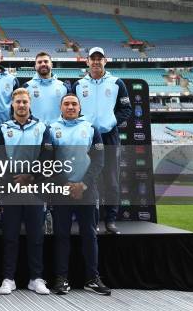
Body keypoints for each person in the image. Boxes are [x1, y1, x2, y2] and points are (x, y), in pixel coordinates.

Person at [49, 93, 111, 295]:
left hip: (87, 191)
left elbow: (99, 160)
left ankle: (92, 278)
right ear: (61, 108)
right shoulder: (51, 129)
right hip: (61, 190)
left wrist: (82, 184)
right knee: (61, 236)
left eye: (74, 104)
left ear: (79, 107)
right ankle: (61, 278)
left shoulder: (91, 129)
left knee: (89, 235)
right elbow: (48, 161)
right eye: (66, 104)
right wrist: (65, 184)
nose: (70, 107)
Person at [0, 88, 52, 296]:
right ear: (12, 104)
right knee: (10, 236)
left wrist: (31, 177)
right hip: (11, 189)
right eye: (17, 102)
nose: (21, 105)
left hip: (35, 189)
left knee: (36, 236)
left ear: (29, 104)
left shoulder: (41, 128)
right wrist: (13, 179)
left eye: (24, 102)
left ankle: (36, 278)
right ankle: (8, 278)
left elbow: (48, 156)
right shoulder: (2, 129)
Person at [72, 47, 132, 234]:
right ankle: (92, 219)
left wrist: (110, 122)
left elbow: (126, 109)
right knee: (89, 179)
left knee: (111, 181)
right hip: (86, 139)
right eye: (93, 58)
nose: (96, 62)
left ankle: (111, 220)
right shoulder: (78, 85)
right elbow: (72, 110)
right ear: (87, 62)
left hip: (109, 137)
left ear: (105, 61)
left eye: (100, 58)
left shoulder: (116, 83)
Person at [23, 52, 70, 125]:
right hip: (34, 130)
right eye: (39, 62)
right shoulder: (26, 87)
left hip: (58, 132)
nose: (43, 64)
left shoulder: (63, 86)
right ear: (35, 66)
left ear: (51, 65)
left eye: (46, 61)